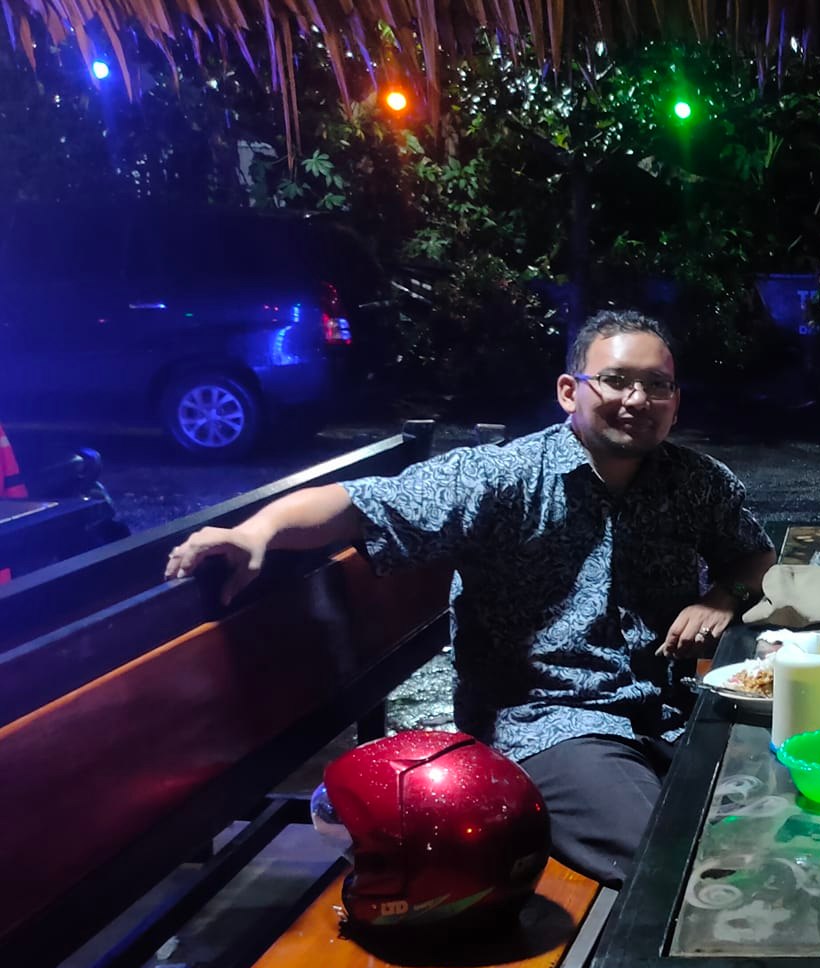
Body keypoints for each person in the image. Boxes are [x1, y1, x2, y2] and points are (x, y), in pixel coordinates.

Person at [164, 310, 777, 889]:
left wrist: (723, 598)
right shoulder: (504, 478)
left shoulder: (695, 482)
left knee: (788, 800)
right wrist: (258, 531)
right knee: (676, 863)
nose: (637, 400)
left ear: (675, 403)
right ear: (570, 392)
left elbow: (753, 556)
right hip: (552, 724)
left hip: (670, 707)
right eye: (616, 380)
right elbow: (362, 502)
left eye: (657, 386)